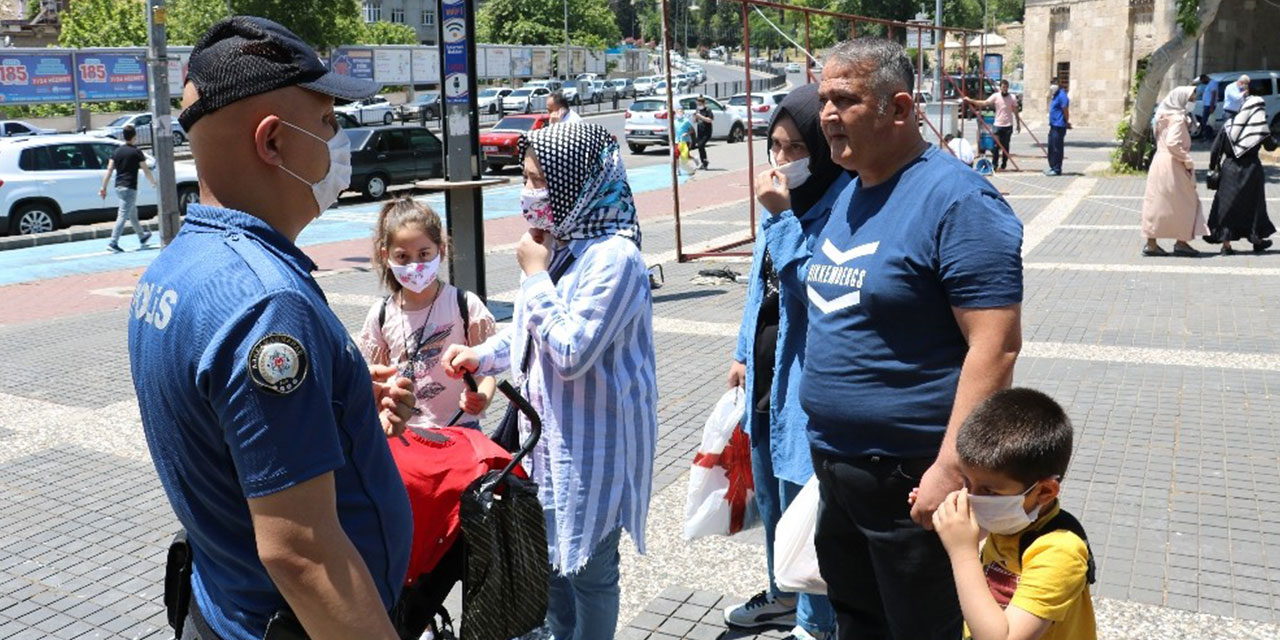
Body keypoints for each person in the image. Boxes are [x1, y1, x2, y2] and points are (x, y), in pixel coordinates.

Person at [128, 17, 418, 640]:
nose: (338, 141)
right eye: (327, 124)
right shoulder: (266, 305)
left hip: (221, 606)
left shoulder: (174, 266)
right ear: (272, 142)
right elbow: (303, 553)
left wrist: (334, 403)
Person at [770, 38, 1024, 640]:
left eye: (845, 99)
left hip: (912, 480)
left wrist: (951, 468)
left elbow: (997, 347)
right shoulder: (851, 191)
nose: (827, 114)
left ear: (902, 109)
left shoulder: (959, 201)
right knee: (859, 624)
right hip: (838, 468)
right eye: (823, 98)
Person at [441, 122, 658, 640]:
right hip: (545, 443)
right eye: (526, 178)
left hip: (594, 448)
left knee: (591, 573)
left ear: (576, 183)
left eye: (538, 180)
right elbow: (533, 331)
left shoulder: (615, 258)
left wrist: (535, 275)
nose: (528, 192)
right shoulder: (560, 244)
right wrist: (483, 352)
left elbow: (570, 351)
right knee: (551, 568)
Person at [722, 83, 848, 640]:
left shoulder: (840, 206)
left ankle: (815, 623)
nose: (782, 160)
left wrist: (780, 219)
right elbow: (761, 289)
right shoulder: (783, 207)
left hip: (806, 382)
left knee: (806, 508)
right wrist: (741, 353)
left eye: (797, 148)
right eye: (775, 145)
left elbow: (812, 291)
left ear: (822, 150)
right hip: (766, 376)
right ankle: (781, 594)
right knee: (773, 498)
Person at [930, 388, 1096, 640]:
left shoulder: (1060, 552)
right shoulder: (1011, 520)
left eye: (989, 491)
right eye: (966, 482)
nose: (971, 498)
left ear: (1044, 491)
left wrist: (962, 552)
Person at [357, 197, 498, 430]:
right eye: (402, 256)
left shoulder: (465, 305)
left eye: (424, 254)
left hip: (461, 428)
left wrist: (482, 398)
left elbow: (487, 371)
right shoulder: (380, 315)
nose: (415, 265)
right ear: (386, 257)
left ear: (441, 250)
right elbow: (379, 380)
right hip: (404, 432)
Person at [1204, 96, 1277, 254]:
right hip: (1252, 170)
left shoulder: (1229, 125)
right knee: (1254, 205)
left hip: (1230, 168)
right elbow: (1270, 147)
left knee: (1227, 206)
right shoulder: (1260, 127)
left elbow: (1216, 149)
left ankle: (1226, 245)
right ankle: (1256, 239)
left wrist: (1213, 167)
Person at [1141, 86, 1208, 257]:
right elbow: (1172, 143)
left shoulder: (1162, 116)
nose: (1194, 102)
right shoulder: (1178, 119)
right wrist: (1186, 159)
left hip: (1159, 162)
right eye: (1192, 99)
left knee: (1157, 203)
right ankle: (1182, 242)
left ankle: (1151, 243)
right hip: (1173, 163)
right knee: (1187, 202)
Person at [100, 123, 157, 253]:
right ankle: (113, 242)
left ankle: (142, 236)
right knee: (123, 214)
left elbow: (109, 170)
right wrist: (152, 182)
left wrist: (103, 187)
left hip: (118, 186)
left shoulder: (117, 152)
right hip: (130, 186)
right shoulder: (136, 152)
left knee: (132, 213)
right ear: (134, 136)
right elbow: (146, 169)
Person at [962, 79, 1020, 171]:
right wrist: (971, 100)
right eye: (1003, 87)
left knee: (1005, 146)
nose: (1005, 89)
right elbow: (985, 103)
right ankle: (995, 164)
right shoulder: (996, 96)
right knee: (996, 146)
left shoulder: (1012, 97)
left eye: (1006, 87)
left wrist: (1018, 123)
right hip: (997, 125)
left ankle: (1004, 164)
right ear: (1000, 88)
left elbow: (1016, 111)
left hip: (1008, 125)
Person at [1045, 83, 1070, 176]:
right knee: (1051, 147)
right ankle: (1052, 166)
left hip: (1059, 126)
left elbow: (1065, 109)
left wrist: (1066, 121)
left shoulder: (1062, 95)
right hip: (1053, 125)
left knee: (1057, 148)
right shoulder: (1055, 95)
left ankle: (1057, 168)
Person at [693, 95, 715, 170]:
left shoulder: (708, 110)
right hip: (700, 131)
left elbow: (710, 120)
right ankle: (704, 162)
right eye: (697, 104)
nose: (699, 105)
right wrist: (695, 117)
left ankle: (705, 161)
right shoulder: (697, 110)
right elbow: (695, 121)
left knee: (701, 145)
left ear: (703, 103)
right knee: (699, 146)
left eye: (700, 104)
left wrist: (701, 117)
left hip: (707, 131)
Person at [1196, 74, 1216, 140]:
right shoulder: (1209, 84)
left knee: (1205, 121)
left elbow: (1213, 95)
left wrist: (1212, 106)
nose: (1203, 82)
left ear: (1205, 78)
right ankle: (1207, 136)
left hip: (1209, 105)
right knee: (1206, 121)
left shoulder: (1213, 83)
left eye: (1202, 81)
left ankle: (1208, 136)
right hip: (1207, 105)